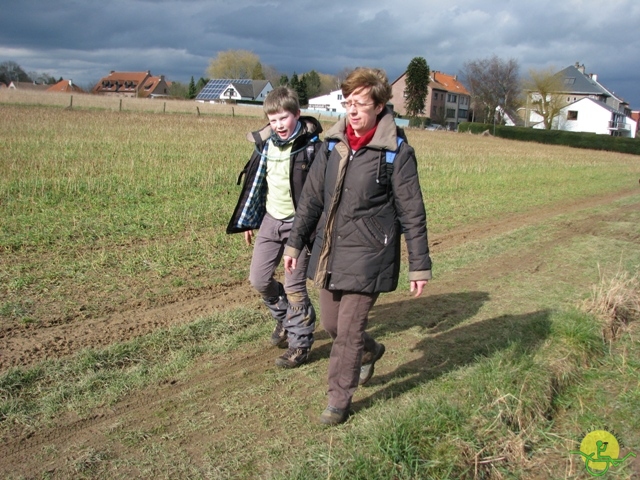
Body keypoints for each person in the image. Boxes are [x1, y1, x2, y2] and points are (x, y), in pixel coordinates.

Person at [283, 68, 432, 425]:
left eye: (360, 104)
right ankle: (370, 351)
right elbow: (311, 201)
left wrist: (420, 264)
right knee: (335, 326)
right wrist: (293, 245)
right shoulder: (331, 146)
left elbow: (412, 211)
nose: (352, 110)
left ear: (379, 106)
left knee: (347, 333)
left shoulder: (396, 152)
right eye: (347, 102)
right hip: (332, 251)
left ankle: (338, 399)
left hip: (370, 255)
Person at [226, 86, 322, 368]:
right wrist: (250, 220)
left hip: (300, 226)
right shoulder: (265, 145)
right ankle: (286, 321)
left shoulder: (312, 148)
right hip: (270, 219)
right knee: (259, 279)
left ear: (297, 114)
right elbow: (257, 186)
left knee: (294, 287)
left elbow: (320, 194)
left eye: (283, 117)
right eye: (273, 119)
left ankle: (299, 344)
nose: (278, 124)